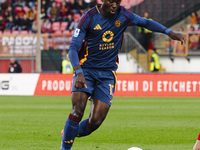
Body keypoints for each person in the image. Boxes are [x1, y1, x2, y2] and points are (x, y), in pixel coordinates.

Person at [61, 1, 187, 150]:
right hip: (86, 70)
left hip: (107, 74)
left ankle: (70, 132)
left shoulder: (124, 15)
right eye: (111, 1)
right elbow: (73, 48)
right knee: (77, 109)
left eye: (118, 2)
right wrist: (78, 71)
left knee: (96, 121)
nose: (115, 5)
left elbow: (145, 22)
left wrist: (168, 32)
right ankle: (65, 147)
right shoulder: (89, 17)